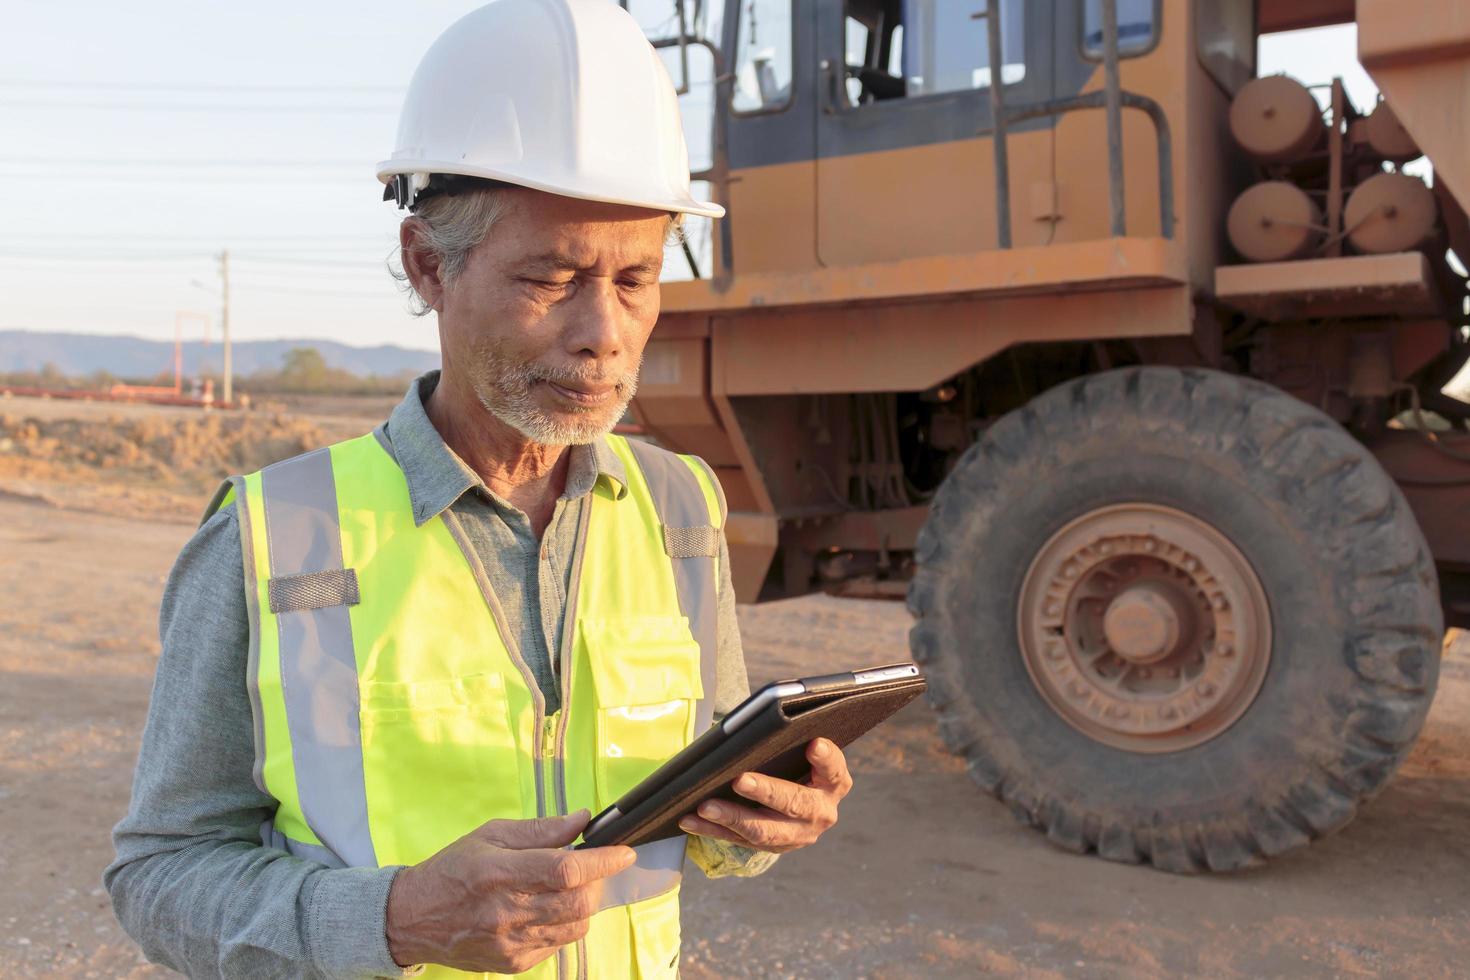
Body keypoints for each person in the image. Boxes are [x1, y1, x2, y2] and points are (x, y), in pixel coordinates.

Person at [105, 2, 854, 977]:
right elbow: (160, 874)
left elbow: (698, 815)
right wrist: (390, 917)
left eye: (636, 279)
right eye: (552, 276)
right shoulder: (272, 534)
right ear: (429, 264)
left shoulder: (680, 506)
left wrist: (757, 820)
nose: (605, 331)